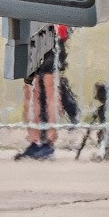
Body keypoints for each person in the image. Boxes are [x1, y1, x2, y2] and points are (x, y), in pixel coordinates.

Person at [16, 23, 69, 160]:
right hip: (35, 33)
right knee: (33, 90)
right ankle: (38, 140)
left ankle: (46, 140)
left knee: (46, 89)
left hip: (46, 31)